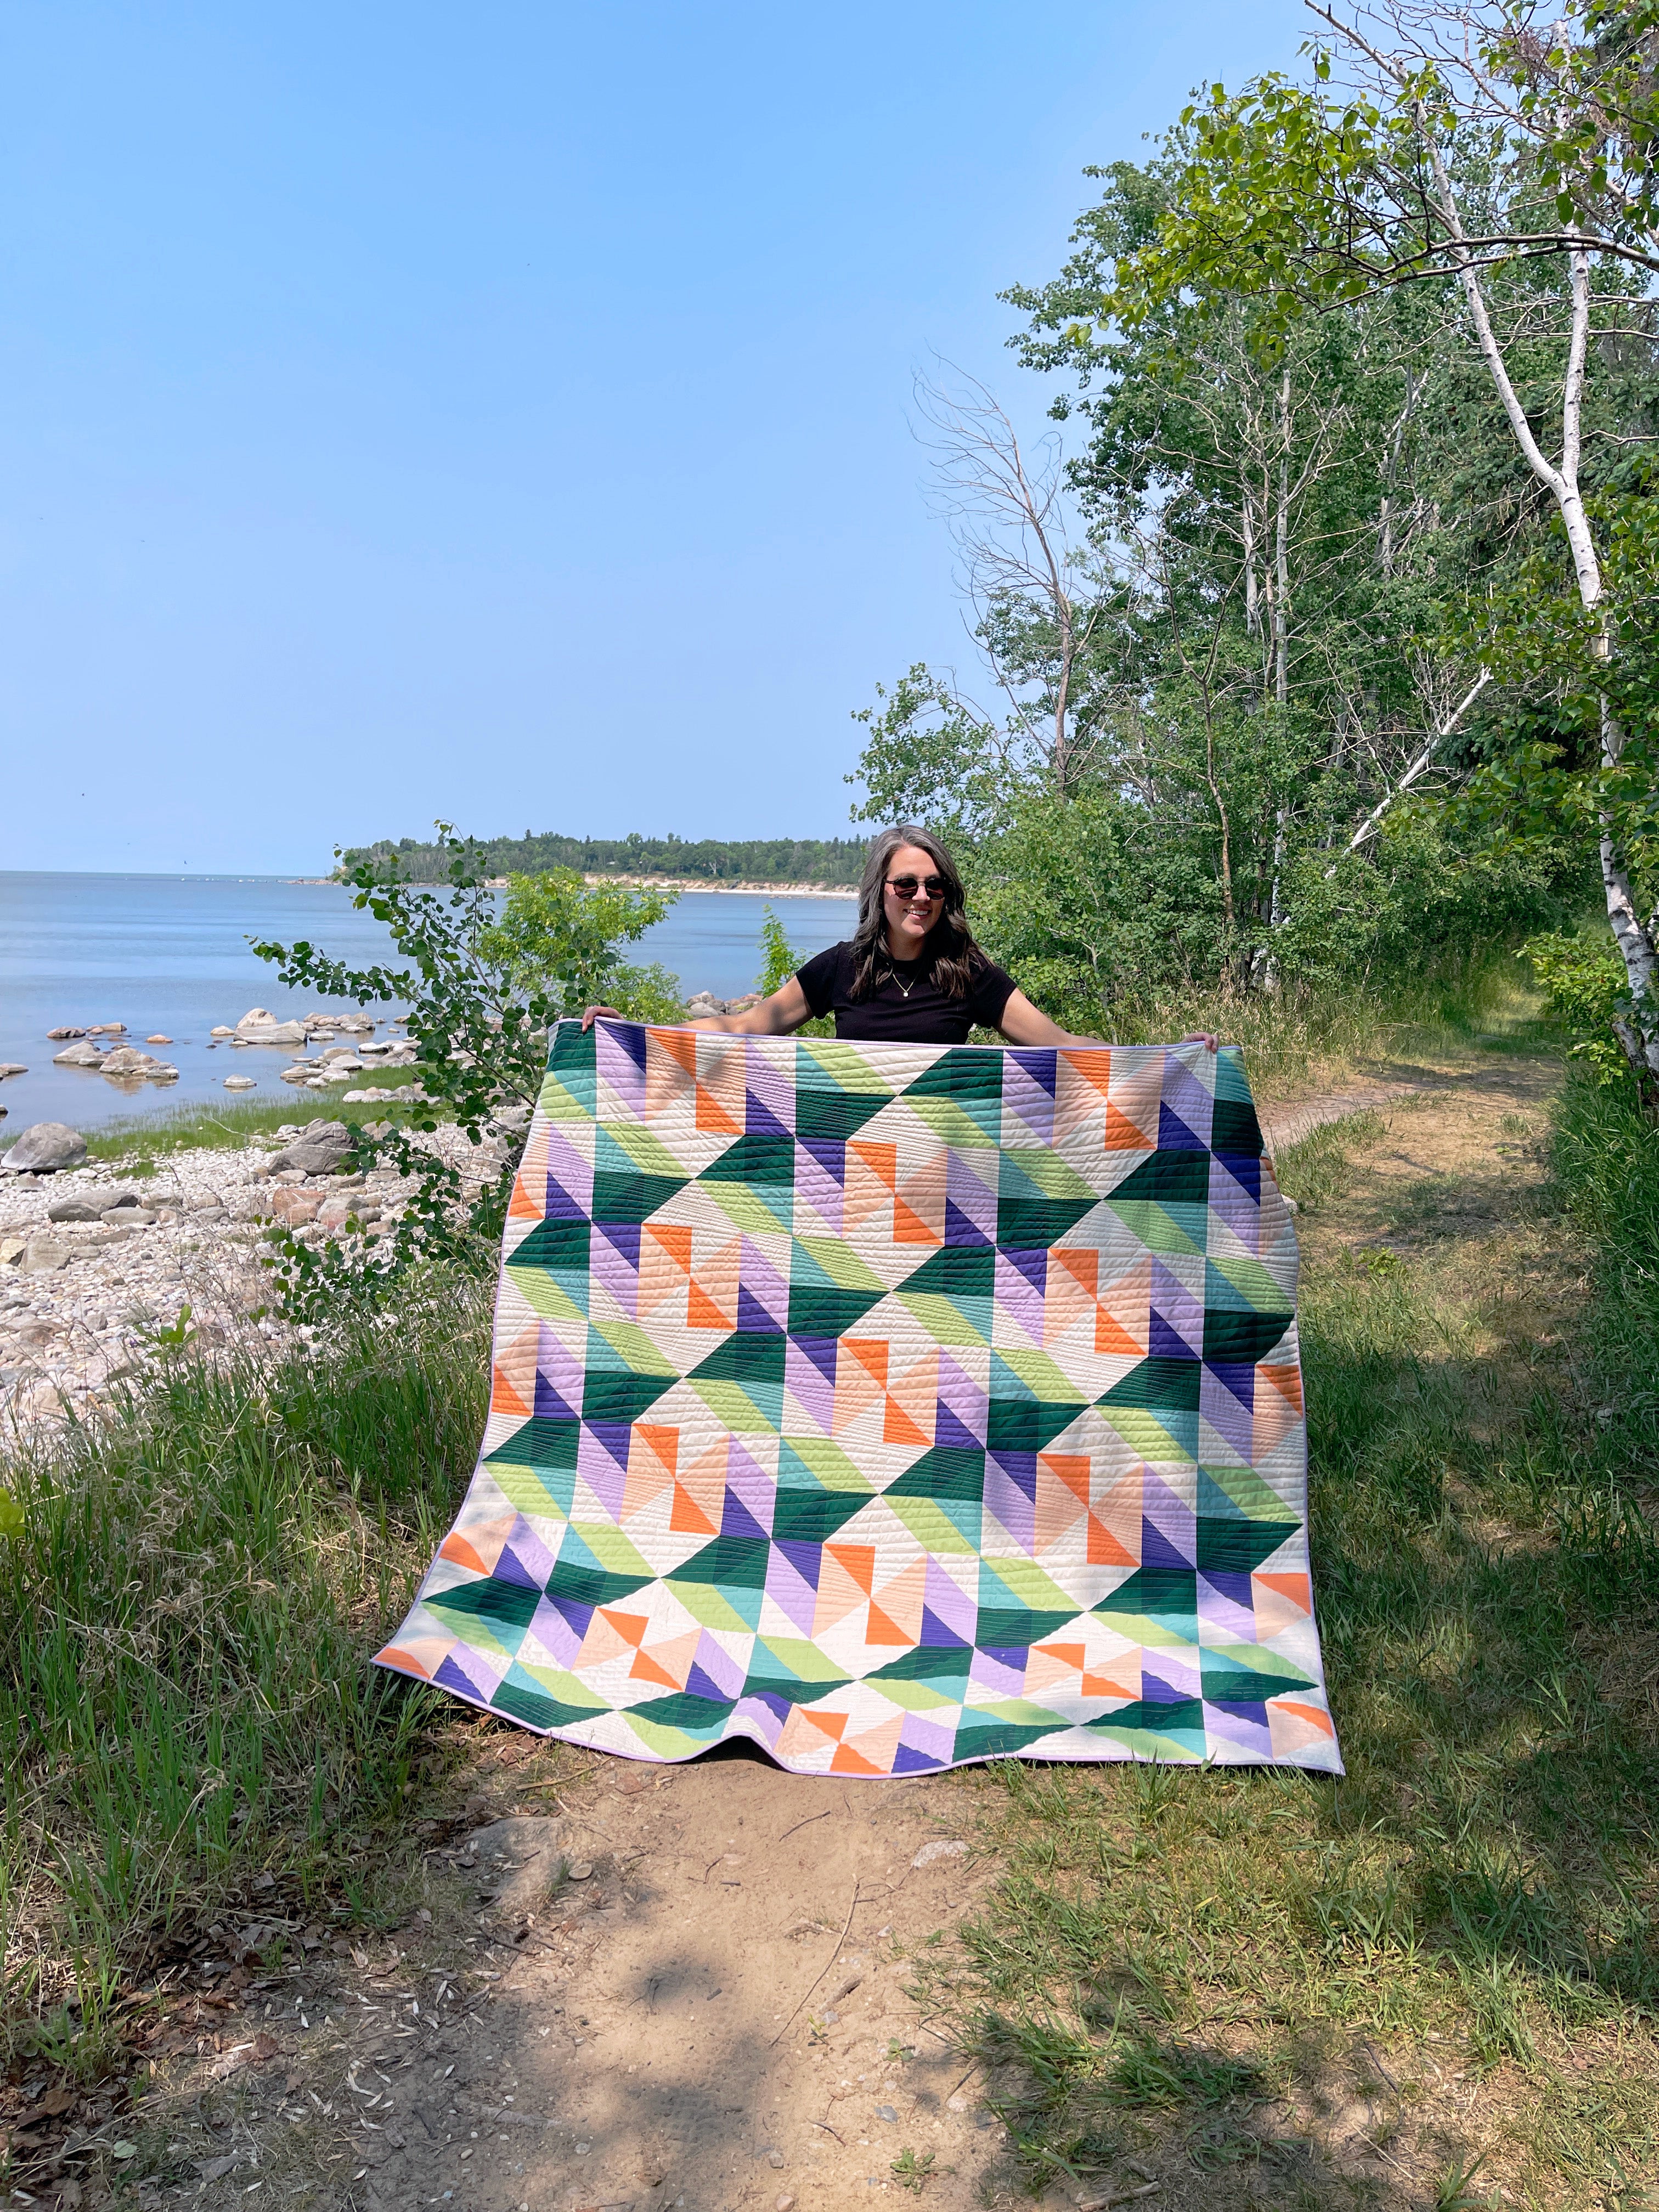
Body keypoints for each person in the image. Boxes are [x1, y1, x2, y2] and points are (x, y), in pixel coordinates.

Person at [585, 823, 1217, 1052]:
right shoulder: (841, 968)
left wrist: (1167, 1058)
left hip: (946, 1174)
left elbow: (1063, 1046)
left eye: (935, 886)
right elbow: (748, 1028)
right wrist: (634, 1035)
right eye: (907, 884)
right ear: (879, 890)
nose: (921, 897)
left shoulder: (969, 973)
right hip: (851, 1170)